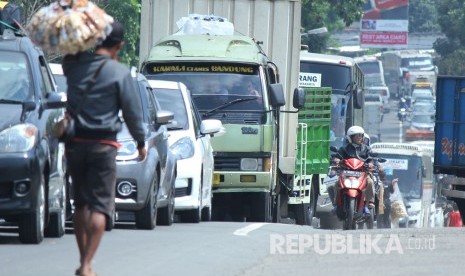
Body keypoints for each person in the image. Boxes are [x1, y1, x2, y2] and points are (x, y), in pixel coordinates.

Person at [63, 22, 146, 276]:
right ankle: (87, 265)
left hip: (75, 146)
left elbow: (69, 56)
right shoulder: (120, 73)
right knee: (99, 207)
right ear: (119, 45)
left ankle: (82, 259)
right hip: (104, 146)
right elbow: (132, 114)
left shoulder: (74, 67)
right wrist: (141, 143)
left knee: (80, 205)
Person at [336, 126, 376, 209]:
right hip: (346, 172)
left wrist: (371, 163)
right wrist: (336, 159)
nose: (360, 137)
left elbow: (371, 159)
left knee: (370, 182)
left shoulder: (366, 149)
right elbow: (338, 156)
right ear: (350, 137)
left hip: (362, 172)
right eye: (357, 135)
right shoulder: (344, 148)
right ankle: (336, 202)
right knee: (335, 183)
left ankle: (370, 201)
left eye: (361, 135)